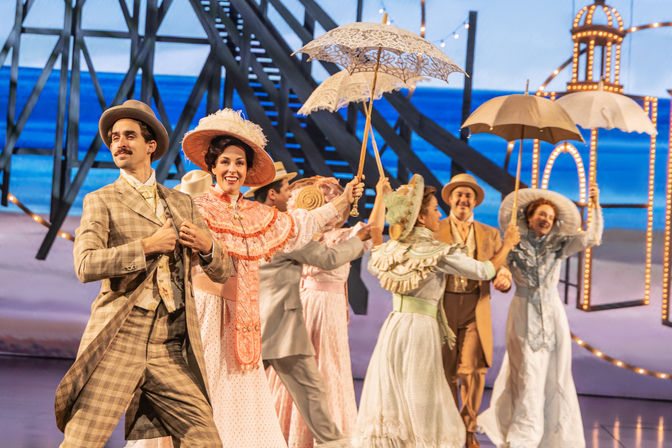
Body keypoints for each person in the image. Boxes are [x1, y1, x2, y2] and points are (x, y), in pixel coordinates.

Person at [131, 109, 364, 448]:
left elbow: (299, 227)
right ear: (213, 165)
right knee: (200, 391)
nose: (232, 169)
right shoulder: (195, 207)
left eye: (239, 163)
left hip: (244, 318)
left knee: (238, 397)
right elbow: (163, 254)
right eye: (225, 161)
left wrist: (343, 200)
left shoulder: (258, 214)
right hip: (205, 314)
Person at [54, 99, 232, 448]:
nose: (119, 143)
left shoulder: (181, 203)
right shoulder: (102, 200)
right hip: (121, 335)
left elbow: (223, 270)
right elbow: (86, 264)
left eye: (129, 136)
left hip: (170, 341)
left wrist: (208, 245)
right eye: (115, 137)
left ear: (150, 146)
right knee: (82, 442)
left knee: (205, 439)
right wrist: (147, 246)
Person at [355, 174, 520, 448]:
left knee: (396, 389)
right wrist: (508, 246)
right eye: (433, 210)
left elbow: (375, 263)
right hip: (420, 328)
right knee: (421, 392)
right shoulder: (436, 251)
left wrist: (379, 225)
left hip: (395, 327)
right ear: (421, 218)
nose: (438, 214)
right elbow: (484, 270)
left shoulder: (397, 248)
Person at [264, 176, 388, 447]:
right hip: (303, 304)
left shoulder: (340, 235)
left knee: (325, 368)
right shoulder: (299, 237)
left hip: (325, 308)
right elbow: (330, 257)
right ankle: (312, 435)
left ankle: (322, 434)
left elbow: (374, 229)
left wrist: (381, 196)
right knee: (304, 373)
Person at [479, 185, 602, 448]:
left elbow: (591, 237)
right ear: (529, 216)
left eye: (550, 216)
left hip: (552, 314)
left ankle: (553, 436)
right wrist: (503, 276)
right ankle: (523, 436)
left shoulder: (558, 244)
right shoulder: (514, 242)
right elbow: (502, 268)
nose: (546, 220)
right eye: (541, 215)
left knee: (554, 374)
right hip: (523, 311)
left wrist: (594, 204)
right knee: (526, 373)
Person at [435, 173, 512, 448]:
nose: (463, 199)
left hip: (474, 306)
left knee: (473, 370)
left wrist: (504, 277)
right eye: (459, 194)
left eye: (469, 195)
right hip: (442, 307)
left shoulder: (490, 233)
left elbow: (499, 266)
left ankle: (468, 428)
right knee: (445, 372)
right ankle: (447, 428)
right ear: (450, 199)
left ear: (475, 201)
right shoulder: (436, 229)